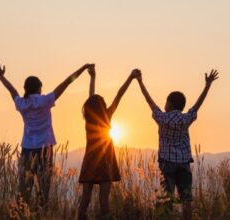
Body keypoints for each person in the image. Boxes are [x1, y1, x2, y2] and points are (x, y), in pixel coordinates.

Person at [0, 60, 92, 207]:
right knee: (44, 189)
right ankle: (42, 213)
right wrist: (83, 68)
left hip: (27, 149)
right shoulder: (45, 100)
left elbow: (12, 91)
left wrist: (1, 77)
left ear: (26, 88)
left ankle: (22, 214)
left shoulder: (22, 104)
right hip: (45, 149)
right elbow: (66, 83)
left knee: (25, 188)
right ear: (39, 88)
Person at [136, 69, 219, 220]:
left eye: (166, 102)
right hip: (183, 162)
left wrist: (140, 81)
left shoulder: (162, 118)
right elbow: (197, 105)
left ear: (169, 104)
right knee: (186, 198)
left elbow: (149, 101)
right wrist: (207, 86)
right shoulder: (185, 119)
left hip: (167, 163)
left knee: (167, 197)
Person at [78, 65, 141, 220]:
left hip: (90, 161)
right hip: (106, 161)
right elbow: (119, 94)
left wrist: (92, 78)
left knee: (85, 199)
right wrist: (130, 77)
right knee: (103, 200)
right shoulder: (107, 115)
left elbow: (91, 96)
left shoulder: (89, 120)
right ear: (102, 106)